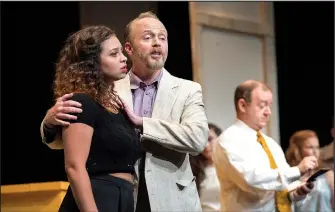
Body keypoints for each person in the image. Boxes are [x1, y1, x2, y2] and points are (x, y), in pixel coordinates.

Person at [40, 12, 209, 212]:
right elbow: (78, 143)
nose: (157, 43)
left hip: (171, 200)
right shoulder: (105, 88)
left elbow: (198, 139)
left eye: (162, 38)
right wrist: (50, 124)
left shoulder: (188, 90)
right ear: (129, 48)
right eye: (148, 37)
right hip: (123, 198)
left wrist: (142, 123)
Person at [49, 25, 141, 212]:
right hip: (97, 197)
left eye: (121, 52)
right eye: (114, 54)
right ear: (92, 63)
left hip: (123, 198)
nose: (123, 58)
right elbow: (74, 167)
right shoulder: (81, 102)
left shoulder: (117, 107)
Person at [212, 80, 318, 212]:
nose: (268, 112)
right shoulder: (229, 139)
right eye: (262, 105)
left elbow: (280, 188)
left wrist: (297, 192)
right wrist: (297, 170)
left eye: (269, 106)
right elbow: (251, 180)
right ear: (243, 105)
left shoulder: (270, 143)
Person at [286, 130, 334, 212]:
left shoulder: (328, 175)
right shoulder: (289, 176)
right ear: (297, 150)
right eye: (310, 147)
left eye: (317, 147)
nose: (315, 152)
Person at [191, 123, 222, 211]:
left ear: (220, 139)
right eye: (202, 142)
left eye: (210, 139)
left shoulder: (232, 167)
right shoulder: (195, 170)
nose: (206, 145)